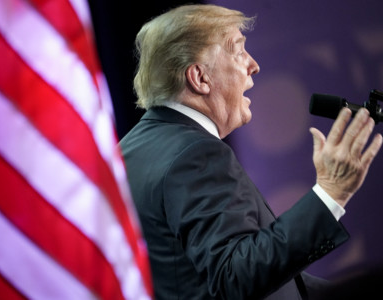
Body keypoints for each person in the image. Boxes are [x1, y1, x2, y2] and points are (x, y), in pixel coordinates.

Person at [119, 4, 382, 299]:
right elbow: (236, 277)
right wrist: (331, 191)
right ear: (199, 78)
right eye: (238, 50)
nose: (253, 64)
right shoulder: (197, 154)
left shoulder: (127, 152)